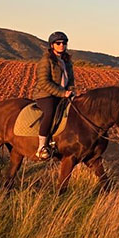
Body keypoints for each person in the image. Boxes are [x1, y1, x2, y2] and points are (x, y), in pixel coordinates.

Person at [34, 31, 75, 160]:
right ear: (52, 45)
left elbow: (71, 80)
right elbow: (43, 82)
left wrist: (71, 91)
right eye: (58, 43)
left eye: (64, 43)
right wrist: (62, 93)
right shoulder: (46, 60)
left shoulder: (66, 61)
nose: (61, 45)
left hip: (63, 95)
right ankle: (41, 147)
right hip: (45, 95)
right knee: (50, 112)